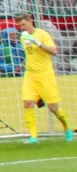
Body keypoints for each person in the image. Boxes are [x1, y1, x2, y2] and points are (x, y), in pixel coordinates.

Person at [15, 11, 69, 144]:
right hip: (30, 75)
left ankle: (67, 127)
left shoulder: (42, 34)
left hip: (45, 75)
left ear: (30, 21)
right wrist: (21, 66)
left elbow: (54, 51)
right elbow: (30, 55)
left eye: (23, 24)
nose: (22, 28)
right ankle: (33, 137)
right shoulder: (23, 37)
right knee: (27, 103)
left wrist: (37, 43)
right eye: (19, 26)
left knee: (53, 108)